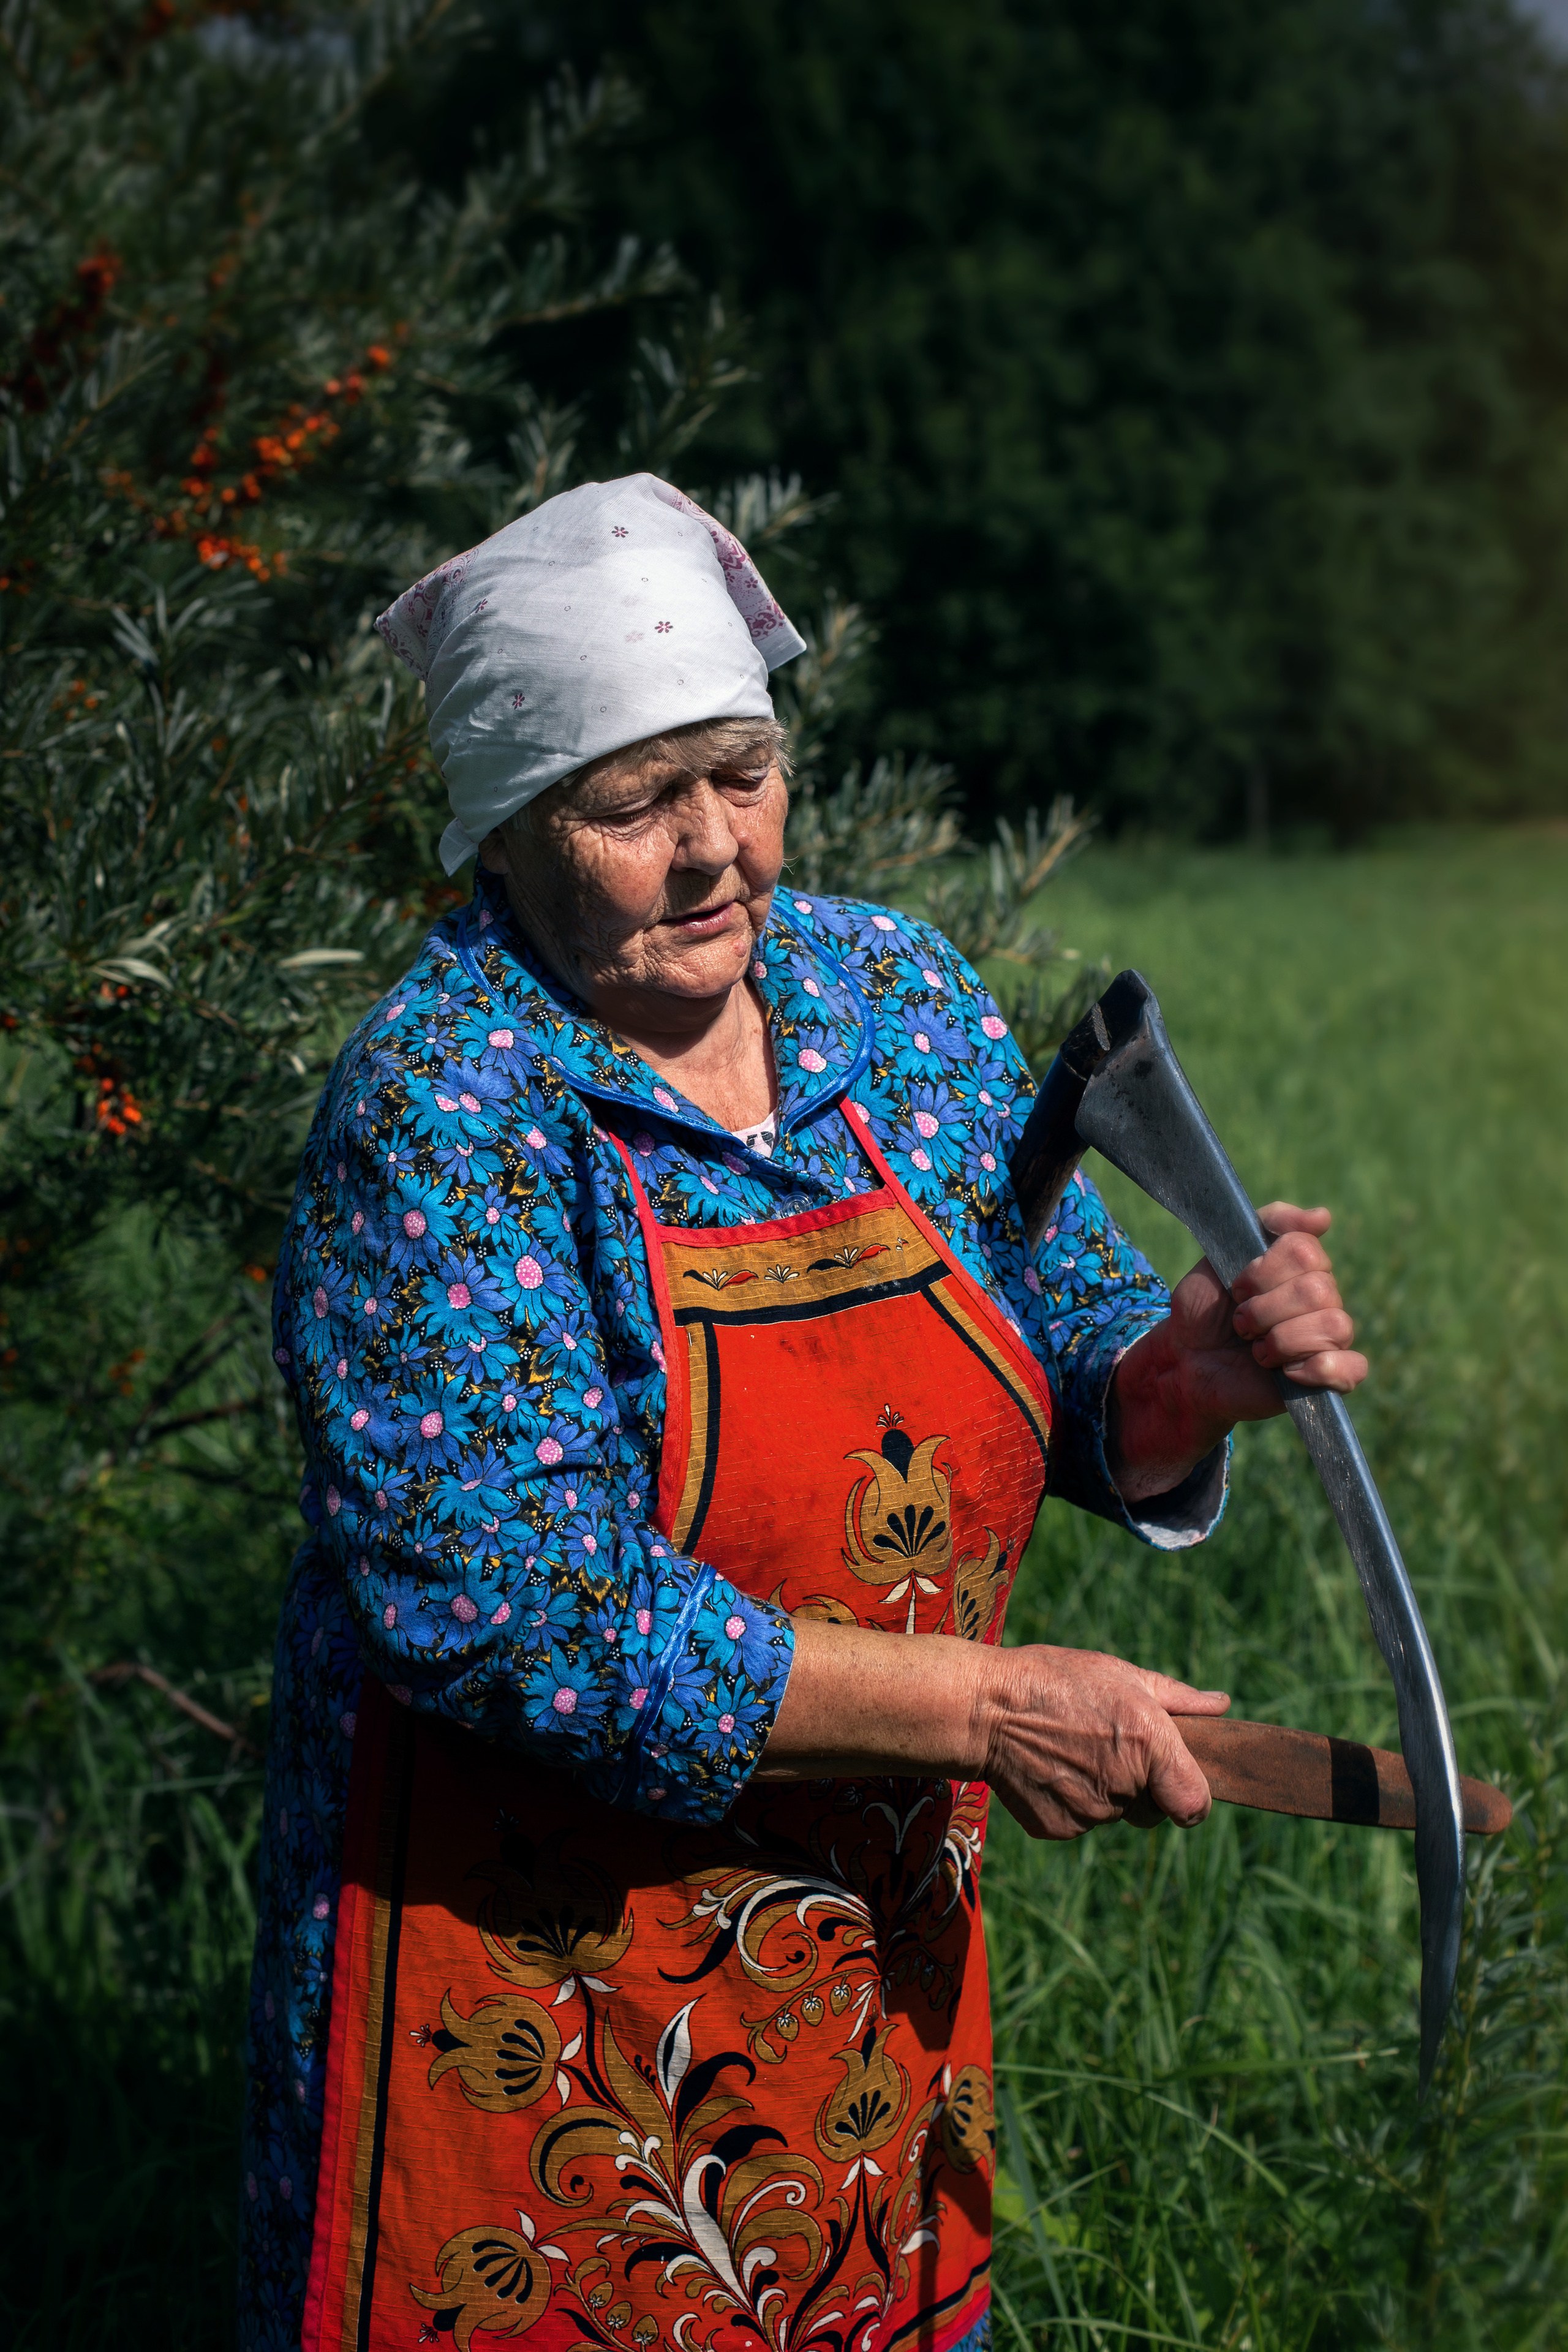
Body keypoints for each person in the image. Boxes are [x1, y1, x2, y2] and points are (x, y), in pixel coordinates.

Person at [239, 473, 1365, 2352]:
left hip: (860, 1956)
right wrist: (985, 1708)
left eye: (744, 777)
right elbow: (510, 1602)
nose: (715, 855)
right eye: (632, 807)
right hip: (524, 1981)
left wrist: (1184, 1377)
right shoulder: (447, 1107)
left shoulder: (888, 997)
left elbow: (1060, 1334)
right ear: (507, 833)